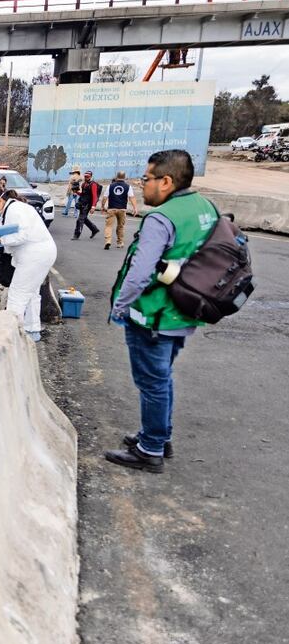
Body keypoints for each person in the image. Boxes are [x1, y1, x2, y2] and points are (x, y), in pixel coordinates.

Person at [103, 150, 217, 473]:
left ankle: (150, 449)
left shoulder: (161, 218)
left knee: (151, 381)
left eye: (147, 179)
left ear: (166, 181)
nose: (143, 186)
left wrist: (120, 307)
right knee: (162, 377)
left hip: (152, 315)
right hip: (184, 313)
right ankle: (158, 435)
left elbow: (140, 273)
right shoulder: (204, 208)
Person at [0, 187, 57, 342]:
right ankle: (32, 331)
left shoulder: (15, 210)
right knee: (31, 293)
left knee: (17, 294)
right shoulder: (3, 216)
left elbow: (22, 236)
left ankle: (10, 337)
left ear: (0, 200)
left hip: (35, 255)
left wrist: (0, 240)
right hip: (39, 254)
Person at [98, 170, 139, 250]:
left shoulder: (110, 186)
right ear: (124, 177)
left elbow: (105, 197)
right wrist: (135, 208)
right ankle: (120, 242)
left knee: (109, 226)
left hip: (111, 208)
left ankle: (108, 241)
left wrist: (102, 206)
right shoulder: (128, 186)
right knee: (120, 226)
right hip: (122, 209)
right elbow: (132, 197)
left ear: (116, 177)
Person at [73, 170, 101, 240]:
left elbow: (95, 196)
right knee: (84, 218)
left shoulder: (93, 184)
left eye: (87, 177)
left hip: (88, 205)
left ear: (91, 177)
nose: (86, 178)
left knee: (80, 220)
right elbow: (83, 194)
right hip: (82, 203)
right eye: (85, 176)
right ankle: (94, 229)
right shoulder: (83, 184)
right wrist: (76, 192)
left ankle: (76, 235)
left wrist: (93, 207)